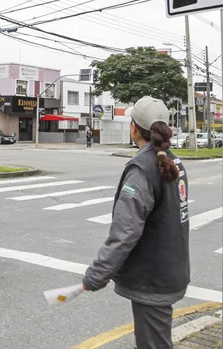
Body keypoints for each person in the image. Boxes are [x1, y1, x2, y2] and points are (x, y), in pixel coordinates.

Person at [80, 96, 189, 349]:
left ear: (133, 128)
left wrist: (96, 275)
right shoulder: (173, 162)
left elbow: (125, 232)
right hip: (169, 270)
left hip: (152, 277)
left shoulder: (143, 168)